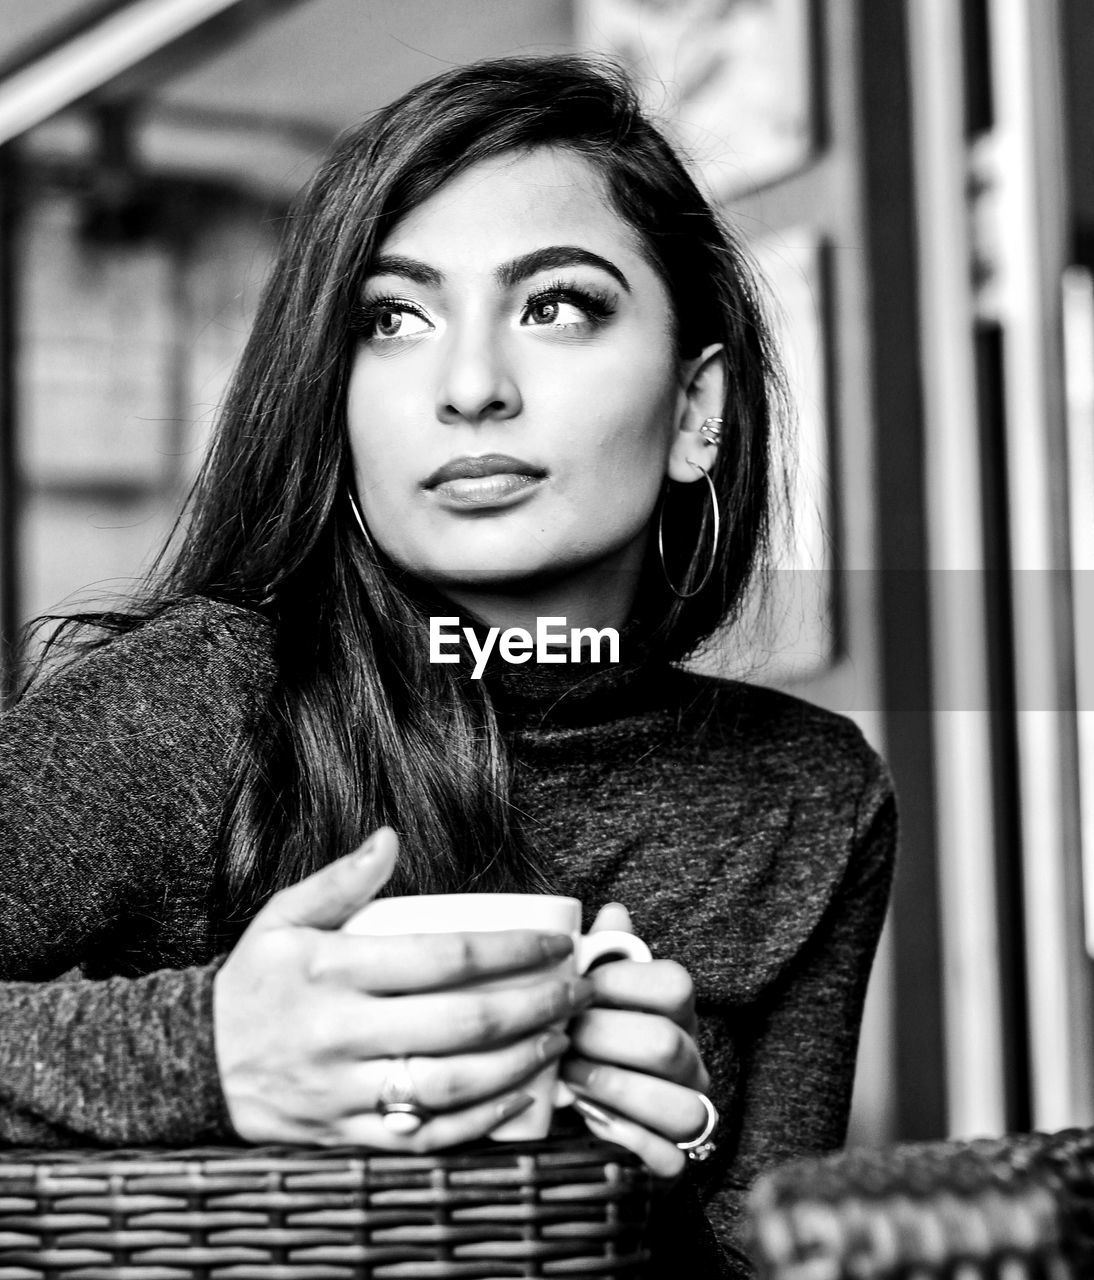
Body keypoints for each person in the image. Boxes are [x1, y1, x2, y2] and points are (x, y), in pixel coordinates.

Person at [0, 56, 896, 1278]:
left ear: (698, 412)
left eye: (556, 305)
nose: (470, 388)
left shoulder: (806, 795)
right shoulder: (200, 699)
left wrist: (684, 1136)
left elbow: (768, 1253)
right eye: (393, 319)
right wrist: (213, 1049)